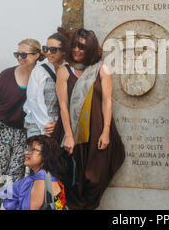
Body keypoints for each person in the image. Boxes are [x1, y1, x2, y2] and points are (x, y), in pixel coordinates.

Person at [52, 28, 125, 210]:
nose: (77, 50)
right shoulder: (64, 72)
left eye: (82, 47)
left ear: (91, 49)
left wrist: (106, 131)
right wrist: (69, 135)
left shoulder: (101, 69)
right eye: (74, 45)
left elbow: (107, 101)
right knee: (71, 178)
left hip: (96, 130)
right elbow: (63, 106)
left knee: (95, 176)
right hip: (70, 131)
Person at [0, 38, 45, 209]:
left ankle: (10, 207)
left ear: (37, 55)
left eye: (24, 54)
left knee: (15, 176)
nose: (19, 58)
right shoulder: (6, 75)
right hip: (0, 130)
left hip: (22, 133)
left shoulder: (41, 76)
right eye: (17, 54)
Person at [0, 135, 69, 210]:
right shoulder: (49, 174)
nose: (26, 152)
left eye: (33, 150)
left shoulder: (41, 178)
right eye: (28, 149)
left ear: (45, 155)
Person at [24, 28, 70, 138]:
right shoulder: (39, 71)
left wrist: (58, 125)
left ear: (64, 51)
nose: (48, 52)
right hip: (38, 126)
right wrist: (46, 125)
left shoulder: (70, 71)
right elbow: (33, 101)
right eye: (46, 49)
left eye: (53, 49)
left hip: (61, 127)